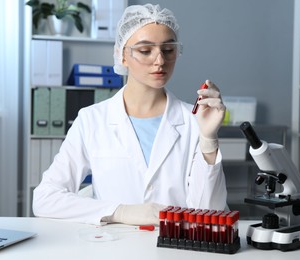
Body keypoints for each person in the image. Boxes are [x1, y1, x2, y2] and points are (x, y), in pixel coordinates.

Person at [33, 4, 227, 226]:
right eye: (145, 51)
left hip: (176, 248)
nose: (160, 60)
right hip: (115, 249)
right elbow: (44, 198)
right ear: (122, 55)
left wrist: (209, 140)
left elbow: (210, 214)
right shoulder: (91, 120)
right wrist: (120, 212)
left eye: (168, 50)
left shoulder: (195, 122)